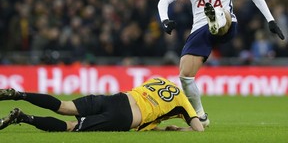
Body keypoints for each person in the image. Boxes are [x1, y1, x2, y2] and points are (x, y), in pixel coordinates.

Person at [157, 0, 285, 126]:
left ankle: (216, 21)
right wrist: (165, 20)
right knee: (185, 76)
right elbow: (164, 1)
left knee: (221, 14)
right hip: (201, 29)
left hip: (227, 25)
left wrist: (271, 20)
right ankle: (201, 116)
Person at [0, 77, 204, 132]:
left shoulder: (159, 79)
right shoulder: (183, 101)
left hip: (118, 98)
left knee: (64, 105)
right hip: (125, 118)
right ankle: (23, 117)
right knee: (72, 126)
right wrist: (179, 128)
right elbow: (199, 129)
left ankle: (20, 94)